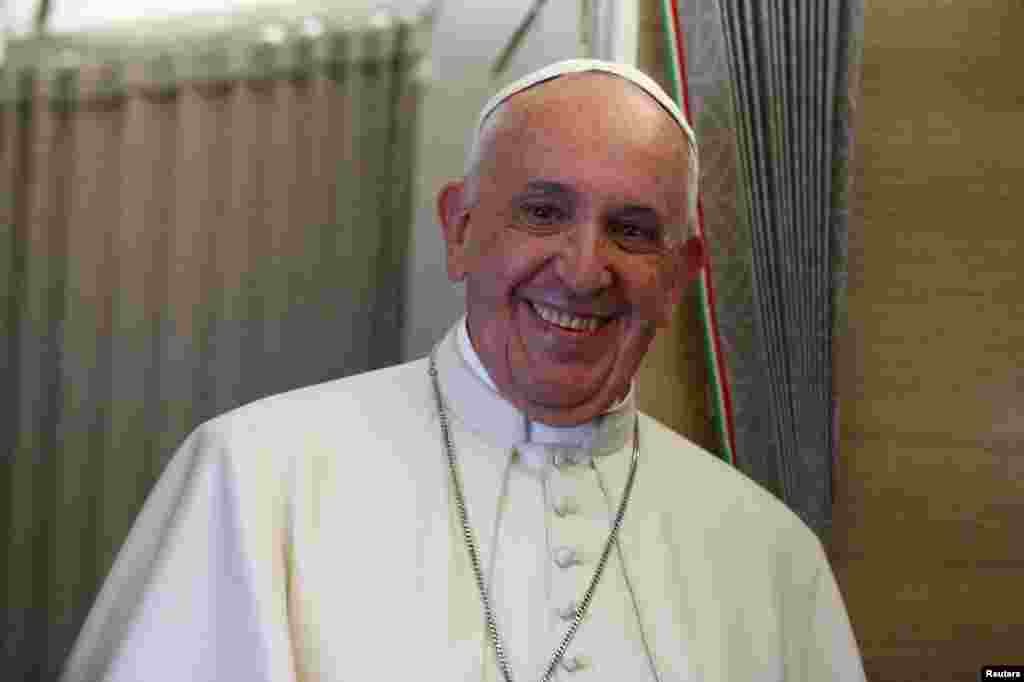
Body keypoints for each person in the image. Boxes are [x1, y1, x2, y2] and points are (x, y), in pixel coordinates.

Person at [61, 59, 865, 682]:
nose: (584, 272)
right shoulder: (254, 477)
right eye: (544, 212)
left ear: (681, 274)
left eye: (632, 230)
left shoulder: (769, 556)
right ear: (460, 230)